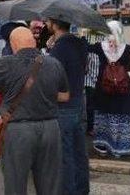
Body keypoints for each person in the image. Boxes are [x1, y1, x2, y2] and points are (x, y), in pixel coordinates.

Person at [0, 27, 70, 195]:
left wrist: (8, 88)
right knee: (50, 186)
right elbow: (64, 96)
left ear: (13, 45)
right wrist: (44, 92)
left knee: (16, 185)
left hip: (19, 131)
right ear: (34, 43)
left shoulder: (6, 63)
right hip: (51, 129)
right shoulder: (53, 63)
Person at [47, 18, 90, 195]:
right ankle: (82, 189)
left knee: (65, 155)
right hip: (79, 101)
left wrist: (51, 52)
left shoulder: (60, 48)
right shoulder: (80, 43)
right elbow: (84, 68)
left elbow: (52, 77)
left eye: (48, 21)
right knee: (80, 152)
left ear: (55, 25)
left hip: (64, 106)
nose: (46, 23)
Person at [90, 21, 130, 157]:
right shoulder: (126, 48)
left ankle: (103, 147)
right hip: (122, 89)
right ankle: (120, 148)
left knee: (104, 116)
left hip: (104, 88)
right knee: (120, 117)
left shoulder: (100, 46)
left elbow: (85, 47)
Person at [84, 48, 99, 137]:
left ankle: (92, 127)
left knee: (91, 106)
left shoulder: (89, 53)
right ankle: (90, 128)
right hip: (91, 83)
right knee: (90, 106)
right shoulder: (92, 54)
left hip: (90, 82)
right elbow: (92, 71)